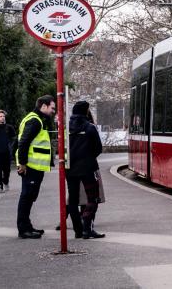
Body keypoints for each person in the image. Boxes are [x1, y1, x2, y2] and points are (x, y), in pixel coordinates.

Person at [15, 95, 56, 239]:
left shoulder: (33, 118)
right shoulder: (35, 121)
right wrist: (23, 163)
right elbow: (23, 142)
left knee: (29, 197)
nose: (53, 111)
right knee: (26, 197)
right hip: (31, 167)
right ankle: (23, 229)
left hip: (33, 167)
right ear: (43, 106)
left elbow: (19, 140)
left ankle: (27, 226)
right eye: (52, 108)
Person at [66, 101, 105, 239]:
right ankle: (87, 227)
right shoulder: (90, 127)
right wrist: (88, 158)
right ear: (85, 111)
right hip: (88, 168)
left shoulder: (66, 128)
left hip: (70, 168)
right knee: (93, 198)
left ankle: (78, 230)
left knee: (72, 200)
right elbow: (98, 148)